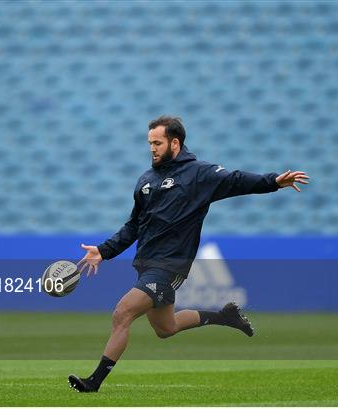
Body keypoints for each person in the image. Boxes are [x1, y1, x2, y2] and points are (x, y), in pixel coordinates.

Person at [68, 115, 309, 393]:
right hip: (147, 264)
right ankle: (225, 316)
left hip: (171, 265)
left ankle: (93, 382)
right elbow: (134, 225)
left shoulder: (198, 174)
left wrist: (273, 182)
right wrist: (103, 250)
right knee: (165, 328)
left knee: (122, 313)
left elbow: (236, 180)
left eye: (157, 143)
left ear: (175, 143)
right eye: (149, 143)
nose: (152, 148)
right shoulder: (146, 180)